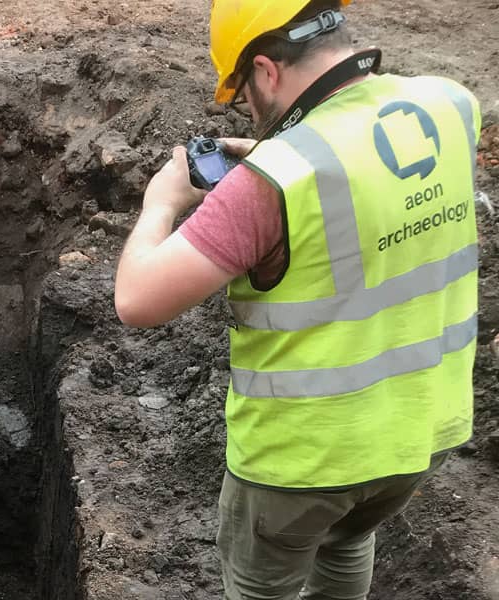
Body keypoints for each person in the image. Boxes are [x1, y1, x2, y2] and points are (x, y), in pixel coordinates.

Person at [113, 1, 482, 598]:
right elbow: (366, 173)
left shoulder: (268, 186)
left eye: (242, 92)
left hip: (303, 461)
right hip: (423, 431)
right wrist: (283, 155)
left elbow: (136, 300)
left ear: (265, 69)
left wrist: (161, 201)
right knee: (346, 541)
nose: (250, 110)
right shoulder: (450, 103)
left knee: (264, 587)